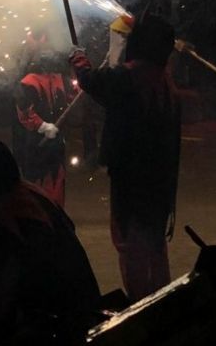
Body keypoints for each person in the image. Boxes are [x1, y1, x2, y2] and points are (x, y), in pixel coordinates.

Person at [69, 15, 180, 302]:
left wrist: (79, 60)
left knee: (130, 242)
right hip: (159, 176)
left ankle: (141, 304)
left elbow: (93, 82)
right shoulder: (163, 79)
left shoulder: (128, 76)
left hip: (131, 174)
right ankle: (161, 298)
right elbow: (114, 97)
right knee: (154, 243)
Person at [0, 139, 100, 346]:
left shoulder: (5, 217)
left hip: (56, 323)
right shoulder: (31, 193)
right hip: (84, 304)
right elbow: (21, 237)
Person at [13, 48, 76, 207]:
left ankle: (56, 212)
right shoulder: (28, 82)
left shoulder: (61, 79)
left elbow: (72, 96)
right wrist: (42, 126)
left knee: (57, 178)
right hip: (36, 142)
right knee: (37, 181)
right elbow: (24, 110)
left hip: (57, 141)